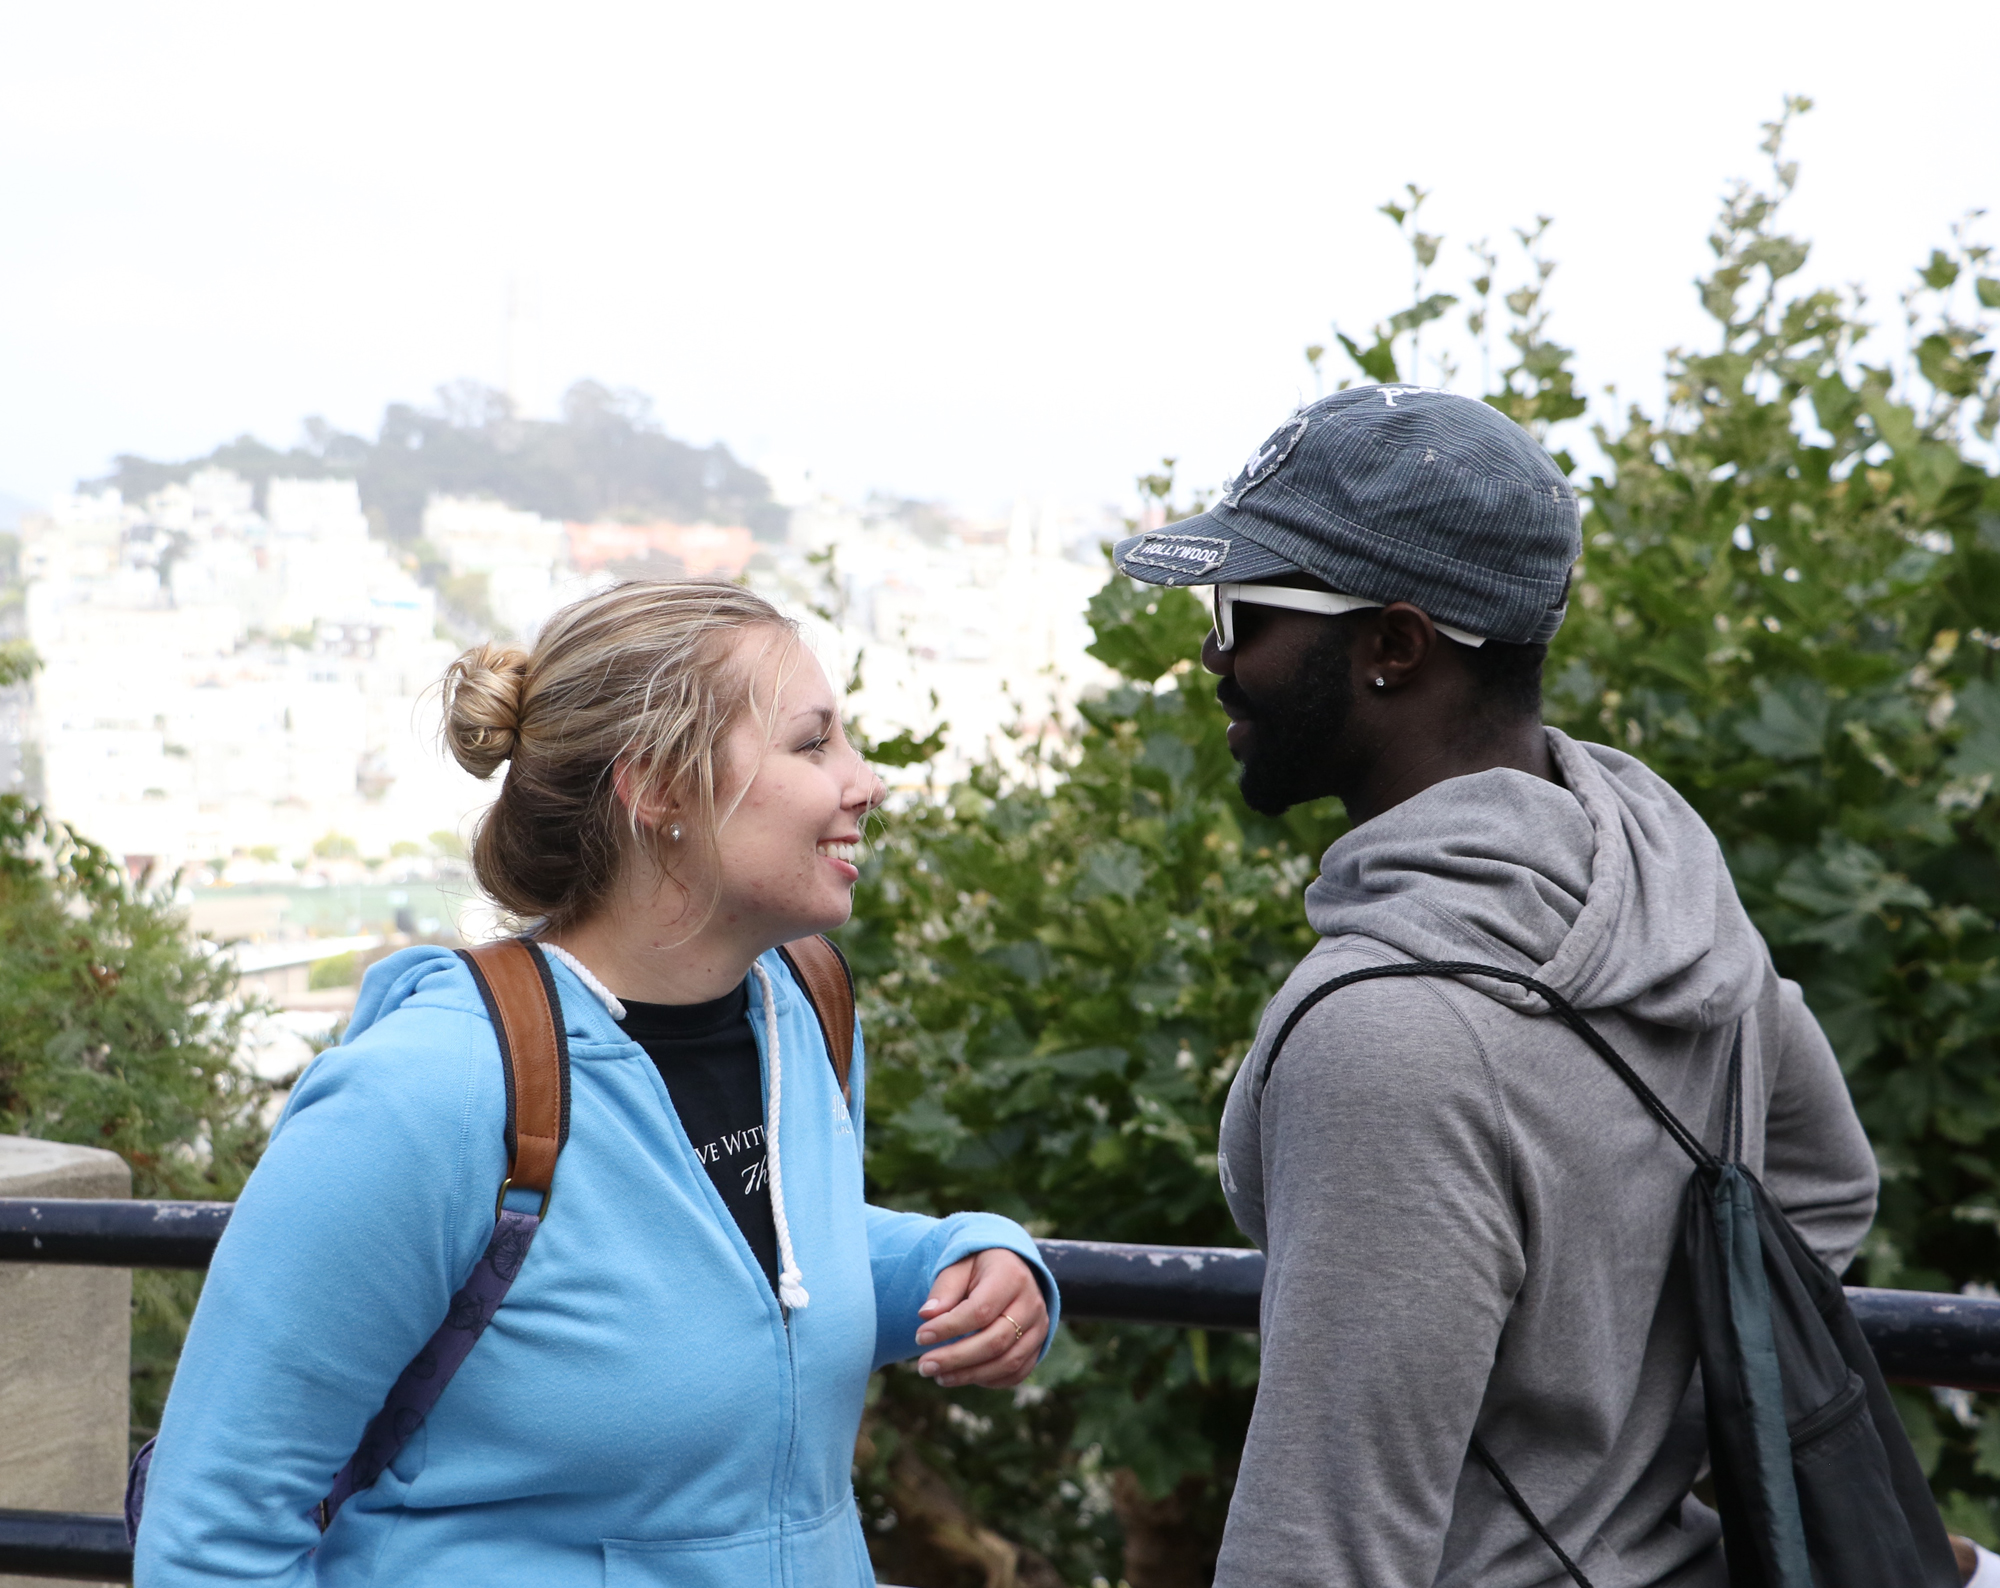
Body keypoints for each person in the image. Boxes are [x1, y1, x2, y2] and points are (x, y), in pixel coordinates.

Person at [135, 581, 1057, 1587]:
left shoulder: (805, 1008)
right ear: (658, 788)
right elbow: (214, 1532)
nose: (864, 780)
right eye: (811, 744)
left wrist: (954, 1258)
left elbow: (752, 1268)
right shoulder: (426, 1094)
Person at [1113, 385, 1880, 1588]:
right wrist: (1622, 1474)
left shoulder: (1384, 1033)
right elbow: (1826, 1190)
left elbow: (1321, 1545)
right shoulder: (1674, 906)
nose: (1211, 652)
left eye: (1243, 608)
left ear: (1394, 645)